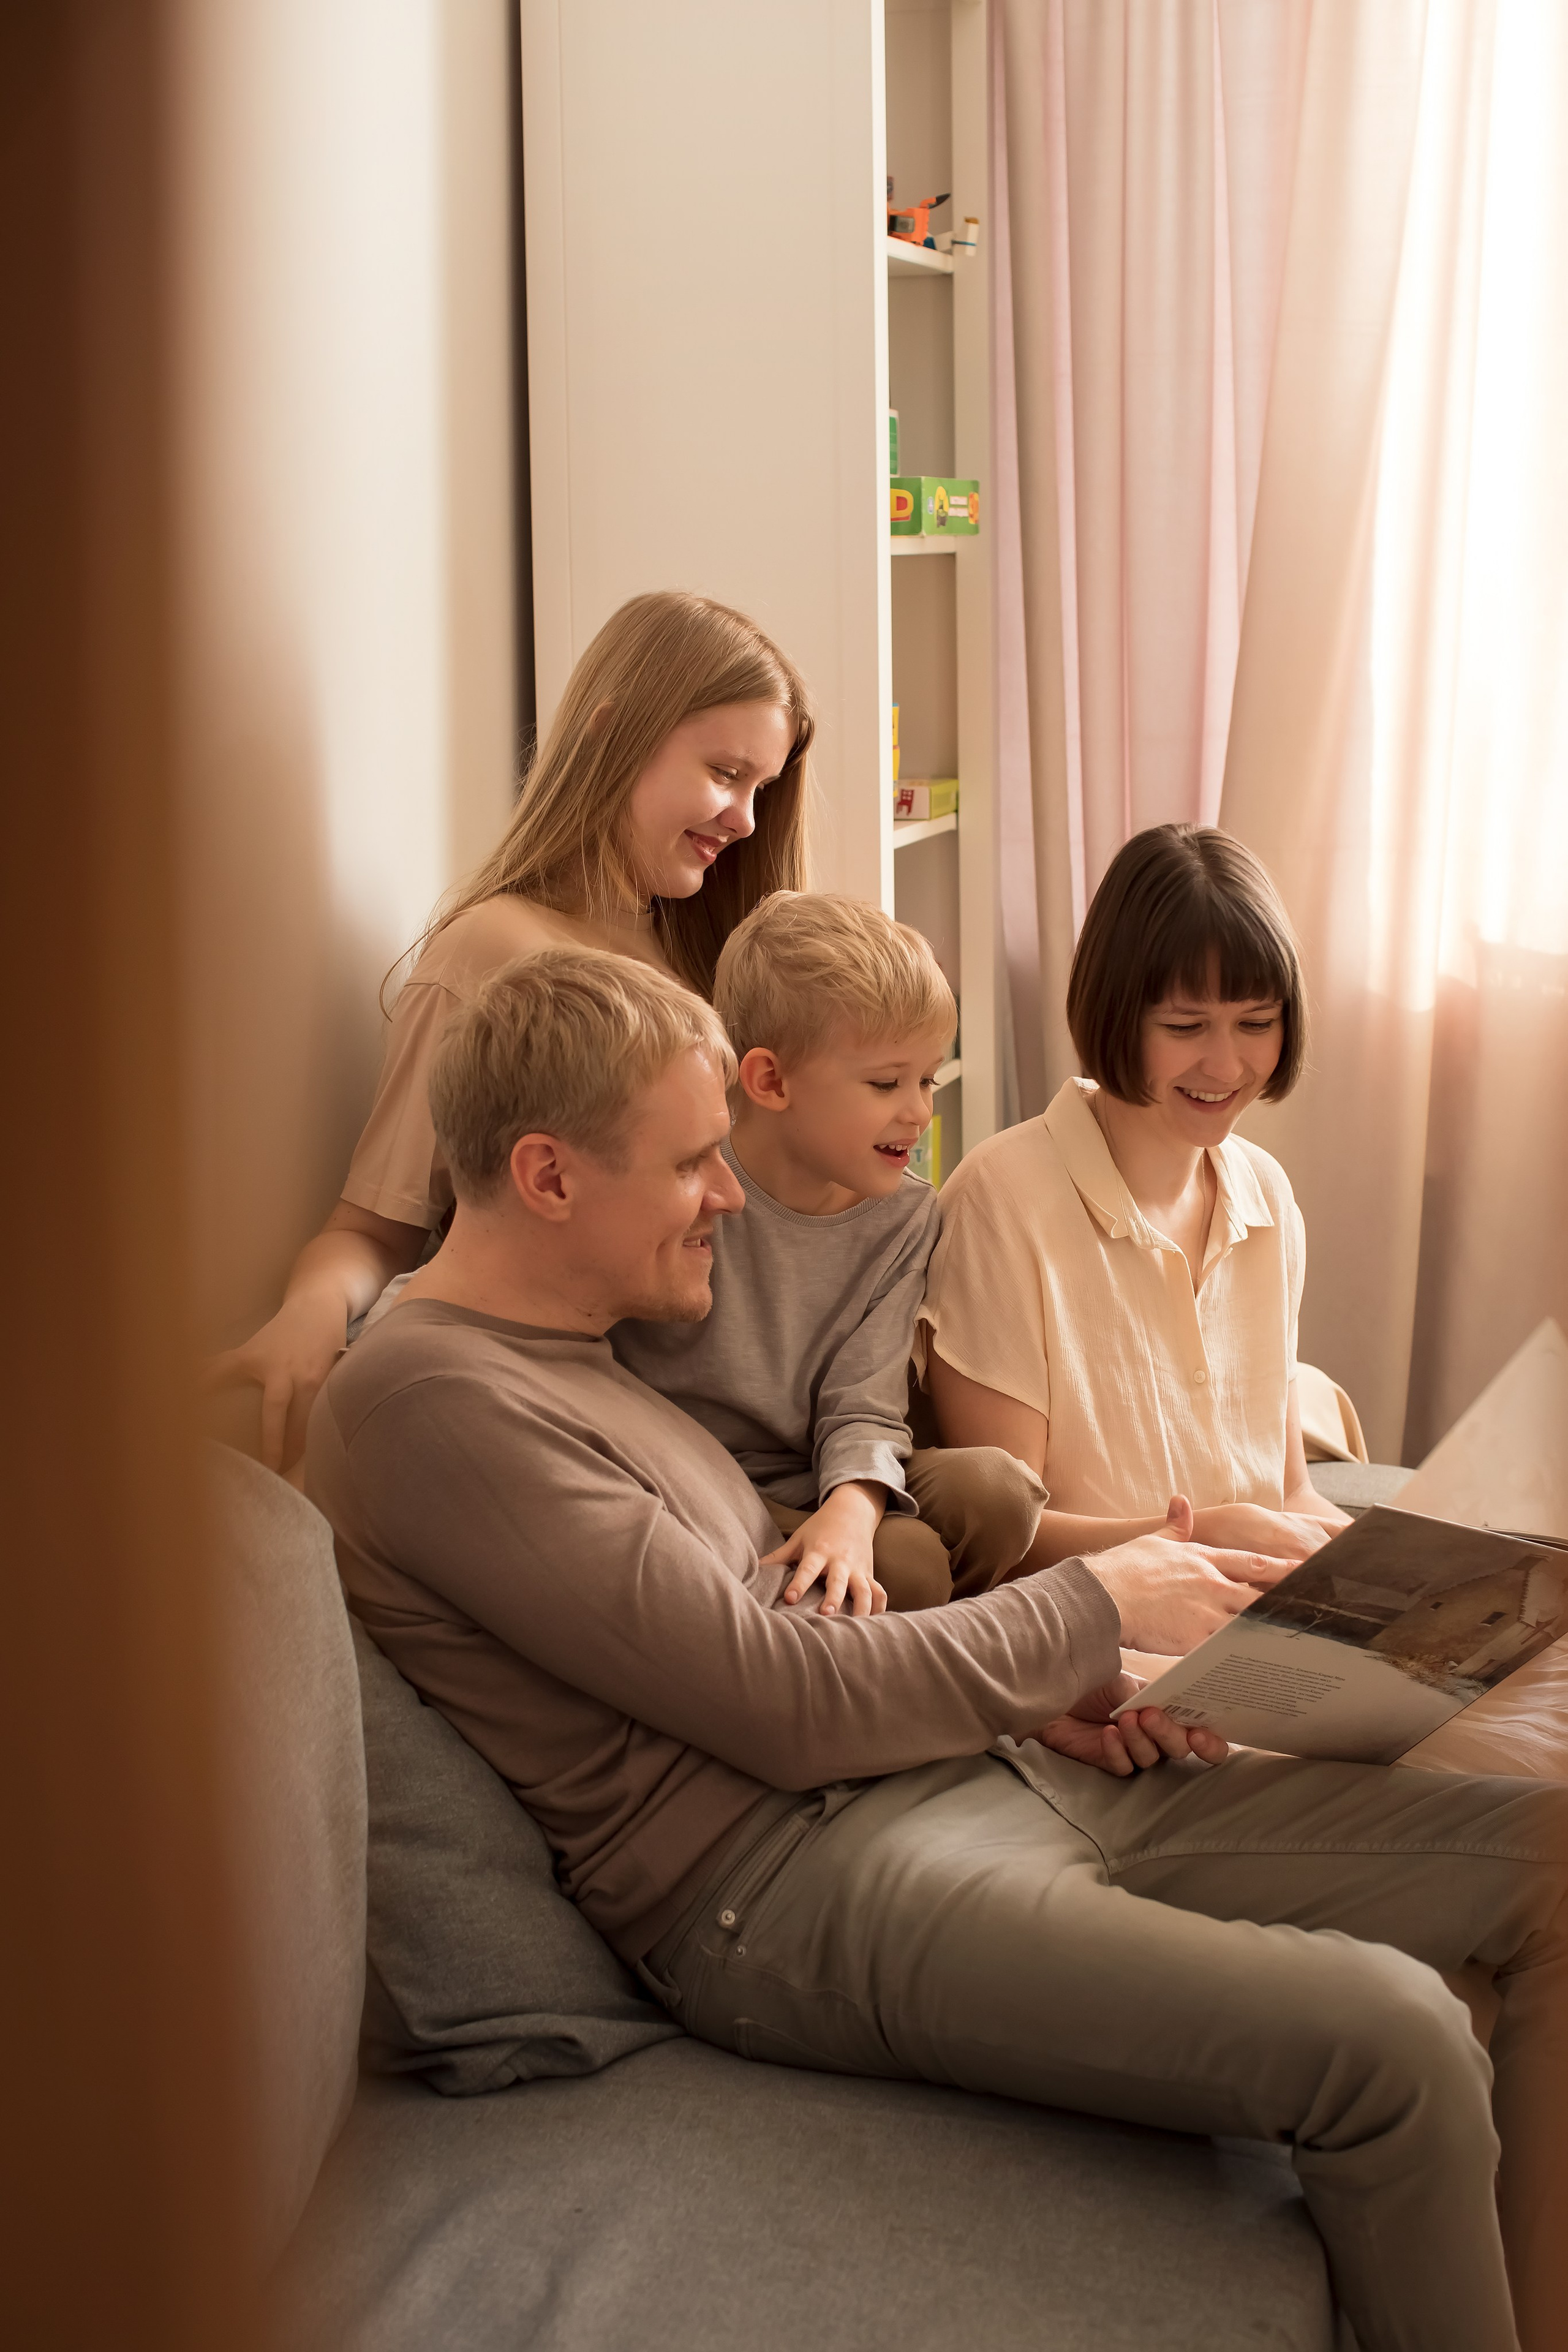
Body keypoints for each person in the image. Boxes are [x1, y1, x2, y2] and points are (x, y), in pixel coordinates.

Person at [307, 946, 1568, 2352]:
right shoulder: (426, 1401)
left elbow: (808, 1618)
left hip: (954, 1773)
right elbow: (770, 1699)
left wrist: (1045, 1694)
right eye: (689, 1165)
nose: (729, 1196)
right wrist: (1098, 1600)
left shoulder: (586, 1351)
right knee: (1390, 2037)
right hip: (777, 1881)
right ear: (546, 1176)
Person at [210, 589, 813, 1470]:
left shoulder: (706, 946)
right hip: (629, 1402)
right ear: (614, 734)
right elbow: (379, 1225)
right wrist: (308, 1316)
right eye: (726, 775)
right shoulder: (495, 955)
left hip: (777, 1380)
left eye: (762, 787)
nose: (747, 820)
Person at [919, 824, 1348, 1606]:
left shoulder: (1267, 1196)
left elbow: (1289, 1492)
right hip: (1094, 1641)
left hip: (1252, 1627)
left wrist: (1374, 1571)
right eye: (1185, 1028)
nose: (1225, 1065)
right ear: (1116, 1013)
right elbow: (1005, 1546)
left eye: (1256, 1023)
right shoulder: (1001, 1201)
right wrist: (1202, 1537)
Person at [613, 892, 1046, 1614]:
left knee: (998, 1495)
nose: (918, 1111)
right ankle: (887, 1645)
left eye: (927, 1078)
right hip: (695, 1481)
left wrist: (852, 1507)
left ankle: (888, 1636)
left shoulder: (906, 1216)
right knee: (906, 1568)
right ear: (770, 1081)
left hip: (820, 1466)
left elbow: (866, 1400)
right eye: (885, 1083)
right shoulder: (689, 1179)